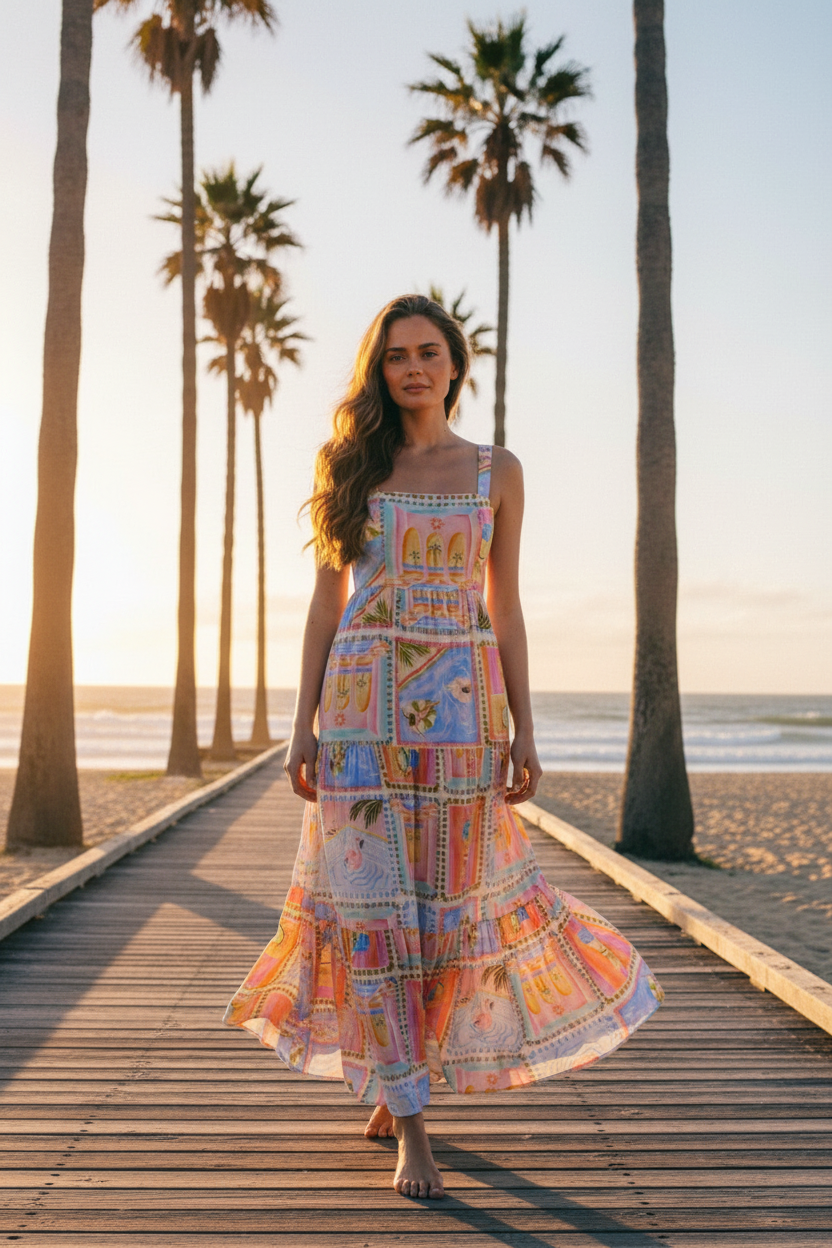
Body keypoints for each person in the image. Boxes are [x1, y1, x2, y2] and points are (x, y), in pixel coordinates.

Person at [224, 294, 663, 1200]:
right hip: (357, 719)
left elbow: (504, 605)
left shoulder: (496, 471)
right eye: (395, 356)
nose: (412, 368)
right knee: (377, 912)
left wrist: (523, 727)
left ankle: (400, 1076)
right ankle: (411, 1124)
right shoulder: (352, 464)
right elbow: (323, 602)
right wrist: (300, 720)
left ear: (458, 365)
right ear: (378, 370)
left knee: (449, 916)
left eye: (429, 352)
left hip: (464, 724)